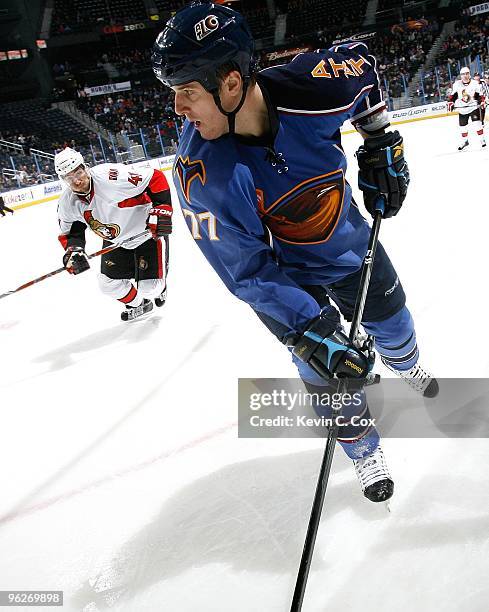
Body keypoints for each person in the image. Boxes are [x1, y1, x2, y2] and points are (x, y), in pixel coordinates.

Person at [152, 1, 438, 502]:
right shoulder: (204, 174)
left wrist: (379, 139)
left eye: (187, 93)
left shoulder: (314, 85)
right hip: (287, 280)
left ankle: (404, 360)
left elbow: (364, 67)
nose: (178, 110)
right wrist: (312, 333)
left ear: (232, 84)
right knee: (323, 374)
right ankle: (363, 447)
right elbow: (247, 272)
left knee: (395, 324)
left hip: (346, 246)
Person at [55, 148, 172, 321]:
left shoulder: (110, 176)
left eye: (78, 172)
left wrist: (163, 208)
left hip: (145, 233)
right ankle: (140, 304)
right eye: (69, 177)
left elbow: (155, 177)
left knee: (150, 288)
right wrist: (74, 250)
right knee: (107, 284)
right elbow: (73, 231)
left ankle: (159, 289)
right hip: (116, 240)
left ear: (85, 167)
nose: (77, 180)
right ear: (63, 180)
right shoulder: (67, 203)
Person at [448, 66, 486, 150]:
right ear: (460, 76)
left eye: (467, 73)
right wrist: (450, 102)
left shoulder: (475, 83)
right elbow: (453, 96)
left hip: (473, 107)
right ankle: (465, 141)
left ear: (469, 74)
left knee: (477, 124)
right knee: (463, 127)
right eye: (463, 74)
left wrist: (481, 101)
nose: (465, 76)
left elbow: (479, 95)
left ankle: (482, 139)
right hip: (462, 109)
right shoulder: (457, 84)